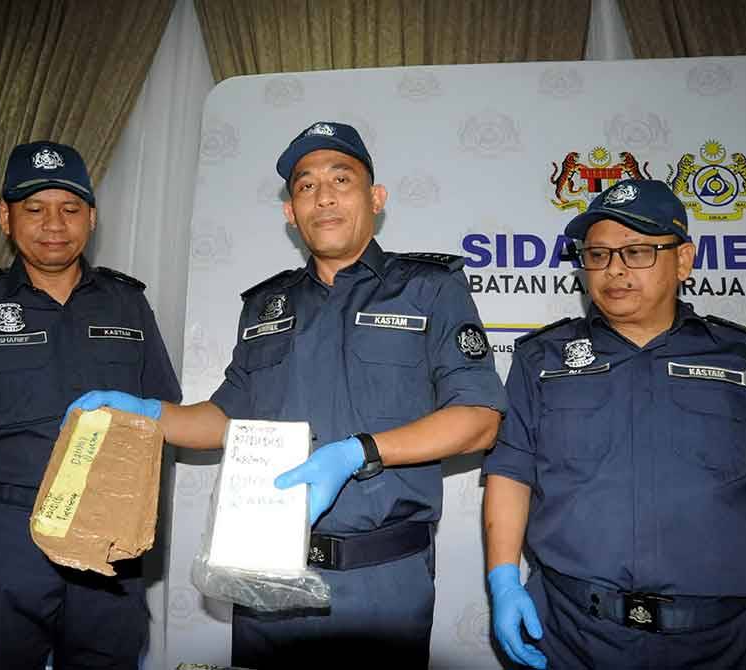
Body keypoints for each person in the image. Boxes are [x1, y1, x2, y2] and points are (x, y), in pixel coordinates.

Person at [67, 121, 507, 667]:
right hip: (266, 573)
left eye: (341, 180)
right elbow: (226, 418)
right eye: (306, 186)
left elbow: (479, 418)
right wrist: (148, 414)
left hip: (382, 582)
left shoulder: (429, 289)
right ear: (290, 212)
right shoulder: (265, 306)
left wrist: (358, 453)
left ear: (376, 198)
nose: (324, 196)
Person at [482, 179, 746, 669]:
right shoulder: (541, 359)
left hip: (729, 644)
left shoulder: (743, 360)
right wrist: (503, 580)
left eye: (637, 252)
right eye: (598, 255)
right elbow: (512, 474)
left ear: (684, 261)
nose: (614, 270)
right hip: (575, 636)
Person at [0, 141, 182, 670]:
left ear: (91, 218)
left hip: (106, 543)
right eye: (34, 209)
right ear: (6, 217)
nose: (54, 224)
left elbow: (157, 427)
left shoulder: (128, 305)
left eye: (70, 209)